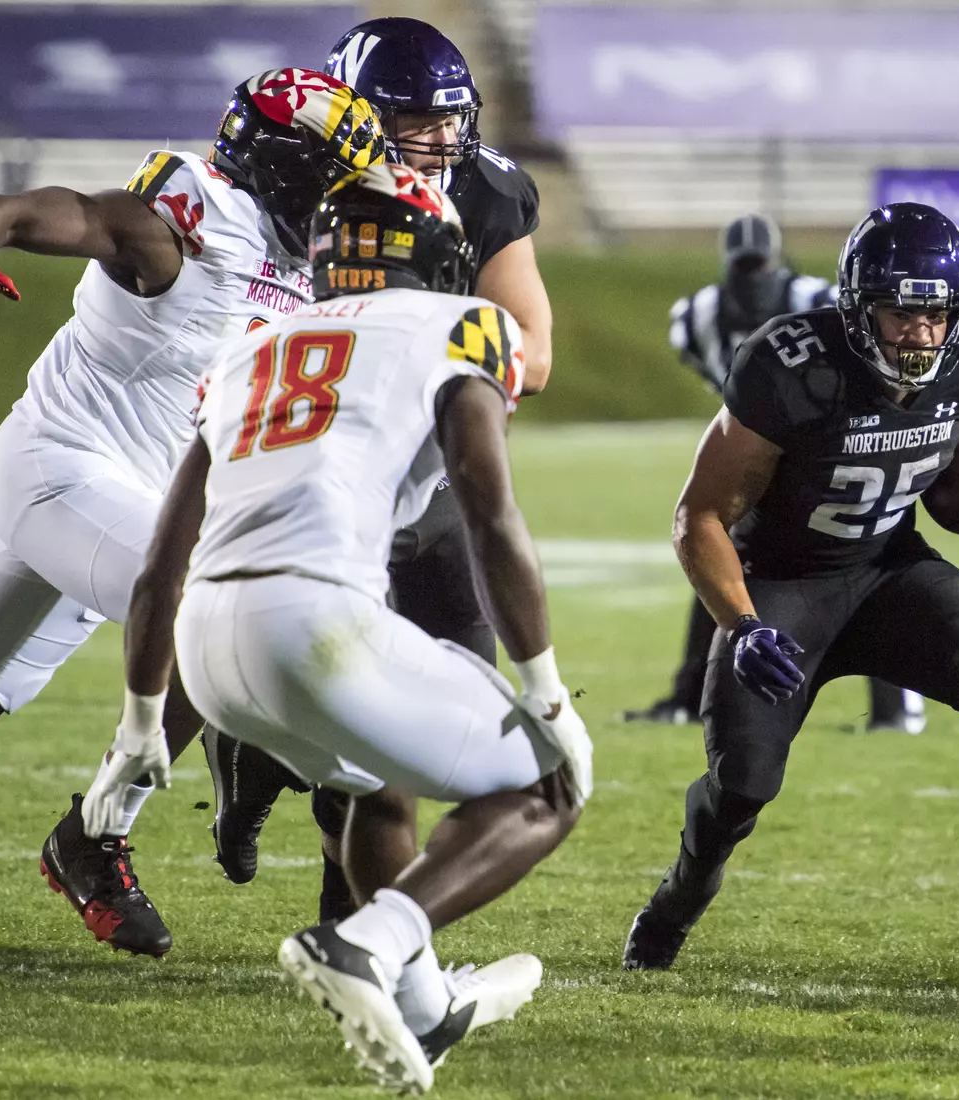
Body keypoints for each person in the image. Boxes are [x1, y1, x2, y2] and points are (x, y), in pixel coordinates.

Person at [0, 70, 385, 946]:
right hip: (55, 467)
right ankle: (95, 834)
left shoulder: (308, 264)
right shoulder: (183, 220)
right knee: (214, 614)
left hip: (131, 508)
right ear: (282, 165)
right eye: (335, 171)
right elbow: (40, 211)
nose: (347, 195)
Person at [83, 163, 590, 1093]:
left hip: (207, 648)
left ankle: (427, 1007)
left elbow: (164, 560)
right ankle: (368, 940)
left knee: (371, 788)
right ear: (442, 253)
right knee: (547, 786)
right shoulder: (462, 322)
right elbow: (486, 512)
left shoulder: (255, 343)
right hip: (315, 622)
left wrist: (141, 727)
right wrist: (546, 688)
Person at [621, 202, 959, 981]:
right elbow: (701, 514)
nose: (920, 332)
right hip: (783, 586)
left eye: (935, 313)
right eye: (901, 312)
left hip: (885, 570)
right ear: (855, 309)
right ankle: (675, 901)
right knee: (743, 784)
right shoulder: (789, 367)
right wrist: (742, 624)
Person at [199, 16, 557, 926]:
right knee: (319, 712)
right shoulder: (301, 173)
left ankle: (351, 932)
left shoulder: (485, 189)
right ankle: (249, 793)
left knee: (409, 727)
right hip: (311, 463)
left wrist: (435, 357)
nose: (440, 140)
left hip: (425, 482)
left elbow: (532, 352)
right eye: (413, 119)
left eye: (451, 119)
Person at [625, 213, 926, 736]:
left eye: (758, 266)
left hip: (836, 441)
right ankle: (691, 694)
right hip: (768, 445)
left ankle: (897, 706)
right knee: (718, 548)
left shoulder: (808, 301)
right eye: (745, 268)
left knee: (864, 554)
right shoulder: (701, 315)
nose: (752, 278)